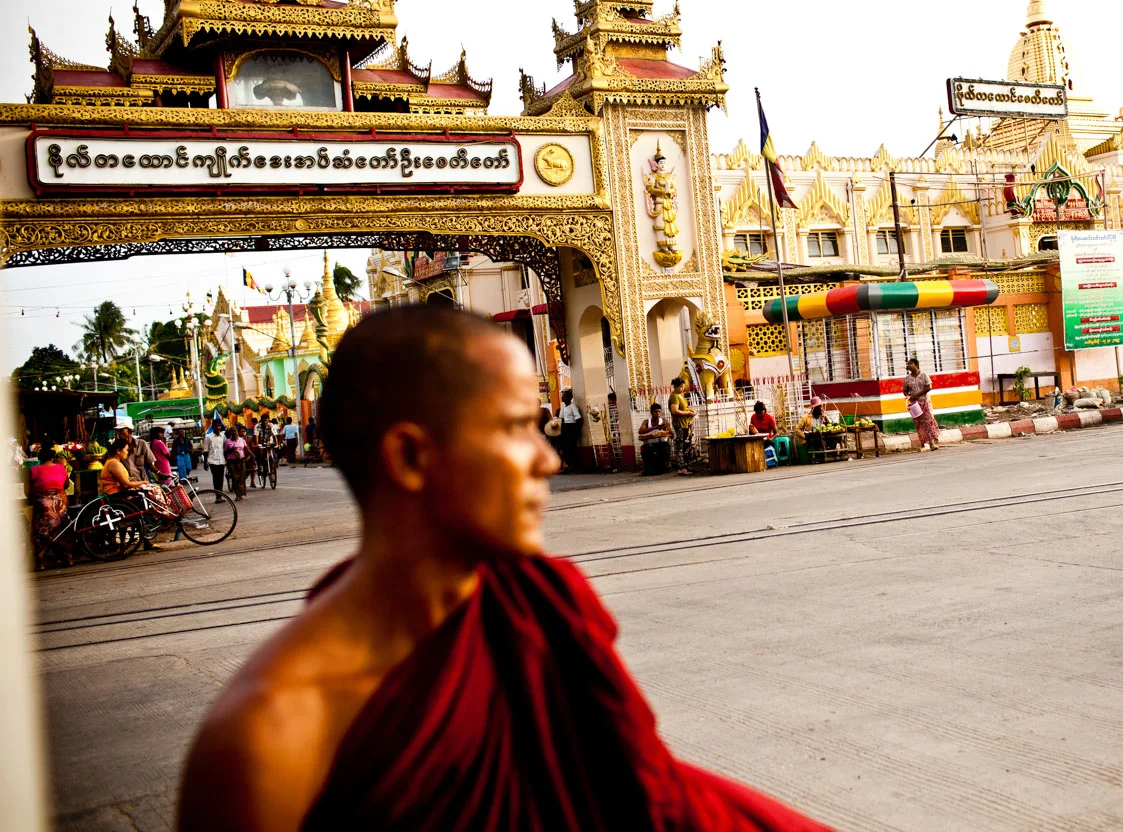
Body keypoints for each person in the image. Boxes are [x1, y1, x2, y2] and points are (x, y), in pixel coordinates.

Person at [178, 306, 835, 832]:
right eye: (517, 427)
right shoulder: (267, 741)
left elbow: (643, 795)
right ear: (410, 458)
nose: (547, 460)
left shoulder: (535, 603)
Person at [100, 436, 166, 551]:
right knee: (145, 506)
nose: (126, 452)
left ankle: (144, 538)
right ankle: (147, 537)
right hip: (116, 497)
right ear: (118, 450)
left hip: (118, 495)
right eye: (125, 450)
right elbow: (125, 484)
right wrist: (142, 482)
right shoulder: (114, 464)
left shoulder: (115, 462)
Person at [29, 440, 71, 569]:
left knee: (41, 528)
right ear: (53, 457)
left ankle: (40, 560)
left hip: (43, 504)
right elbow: (67, 485)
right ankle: (67, 557)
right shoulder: (60, 468)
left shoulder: (33, 470)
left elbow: (27, 491)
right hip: (59, 504)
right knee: (61, 528)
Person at [903, 356, 942, 452]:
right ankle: (923, 444)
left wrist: (917, 394)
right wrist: (908, 396)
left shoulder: (924, 375)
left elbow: (929, 387)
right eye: (908, 364)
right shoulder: (907, 379)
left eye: (910, 363)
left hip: (924, 401)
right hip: (915, 404)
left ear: (916, 365)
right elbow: (905, 390)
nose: (908, 365)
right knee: (919, 423)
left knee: (928, 422)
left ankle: (932, 443)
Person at [667, 376, 695, 475]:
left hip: (686, 424)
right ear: (675, 387)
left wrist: (691, 411)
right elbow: (675, 410)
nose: (682, 389)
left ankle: (687, 466)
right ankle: (681, 467)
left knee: (687, 445)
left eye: (683, 387)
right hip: (679, 424)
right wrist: (688, 414)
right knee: (681, 446)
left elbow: (685, 407)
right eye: (681, 387)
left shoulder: (681, 395)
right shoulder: (674, 396)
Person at [637, 401, 673, 476]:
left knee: (665, 448)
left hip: (661, 442)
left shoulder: (664, 421)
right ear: (651, 412)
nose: (658, 414)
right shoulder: (647, 422)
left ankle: (664, 467)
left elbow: (670, 433)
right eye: (655, 412)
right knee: (645, 451)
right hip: (649, 443)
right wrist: (655, 427)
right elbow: (641, 431)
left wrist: (665, 429)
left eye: (659, 412)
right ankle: (649, 469)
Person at [557, 389, 583, 472]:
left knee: (572, 447)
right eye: (562, 396)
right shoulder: (563, 406)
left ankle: (574, 465)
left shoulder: (573, 406)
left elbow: (578, 418)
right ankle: (568, 464)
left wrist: (577, 431)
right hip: (565, 427)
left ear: (569, 397)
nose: (562, 397)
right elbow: (561, 418)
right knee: (565, 447)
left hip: (572, 427)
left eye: (564, 396)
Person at [225, 425, 250, 500]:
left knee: (242, 478)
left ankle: (241, 493)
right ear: (230, 433)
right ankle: (237, 494)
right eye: (232, 431)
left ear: (237, 432)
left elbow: (246, 448)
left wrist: (252, 455)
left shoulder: (242, 440)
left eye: (235, 431)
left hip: (241, 460)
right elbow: (225, 452)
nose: (234, 432)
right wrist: (231, 450)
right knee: (235, 478)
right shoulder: (227, 442)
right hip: (232, 461)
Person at [205, 421, 228, 493]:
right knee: (215, 478)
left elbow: (225, 448)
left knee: (221, 478)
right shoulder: (208, 437)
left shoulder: (223, 436)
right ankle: (217, 495)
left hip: (222, 460)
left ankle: (220, 494)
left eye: (219, 426)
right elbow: (206, 451)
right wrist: (205, 463)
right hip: (212, 461)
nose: (218, 428)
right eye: (216, 426)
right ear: (213, 427)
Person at [255, 415, 276, 483]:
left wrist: (277, 443)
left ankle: (272, 473)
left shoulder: (271, 425)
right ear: (261, 420)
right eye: (264, 420)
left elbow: (274, 434)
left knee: (272, 459)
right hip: (261, 443)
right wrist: (257, 444)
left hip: (269, 442)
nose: (265, 422)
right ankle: (260, 466)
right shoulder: (258, 426)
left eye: (266, 420)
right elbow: (256, 436)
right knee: (260, 455)